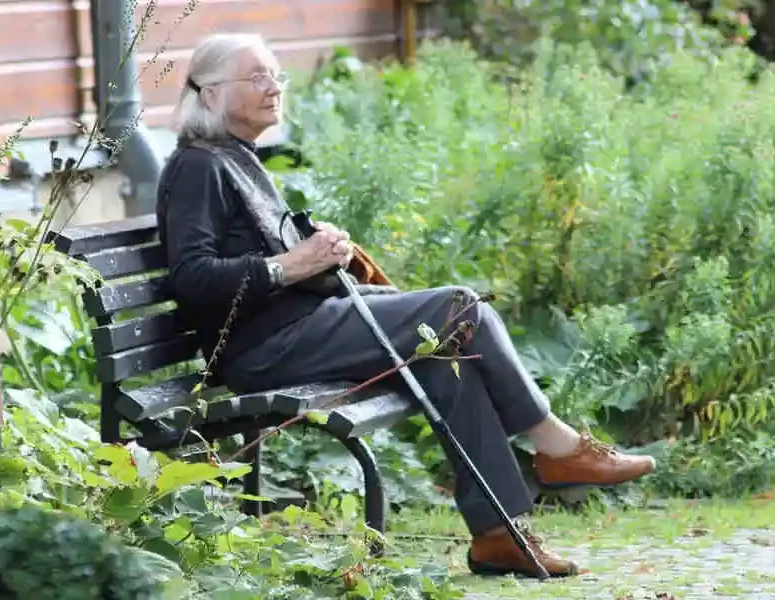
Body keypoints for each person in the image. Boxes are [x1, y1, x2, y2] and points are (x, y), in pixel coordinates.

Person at [155, 32, 656, 579]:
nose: (273, 87)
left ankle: (499, 535)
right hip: (266, 351)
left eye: (277, 74)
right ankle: (556, 446)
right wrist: (292, 263)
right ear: (207, 94)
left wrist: (320, 252)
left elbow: (258, 257)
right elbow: (192, 278)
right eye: (256, 77)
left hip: (298, 329)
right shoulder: (198, 167)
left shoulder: (234, 158)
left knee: (446, 354)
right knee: (458, 309)